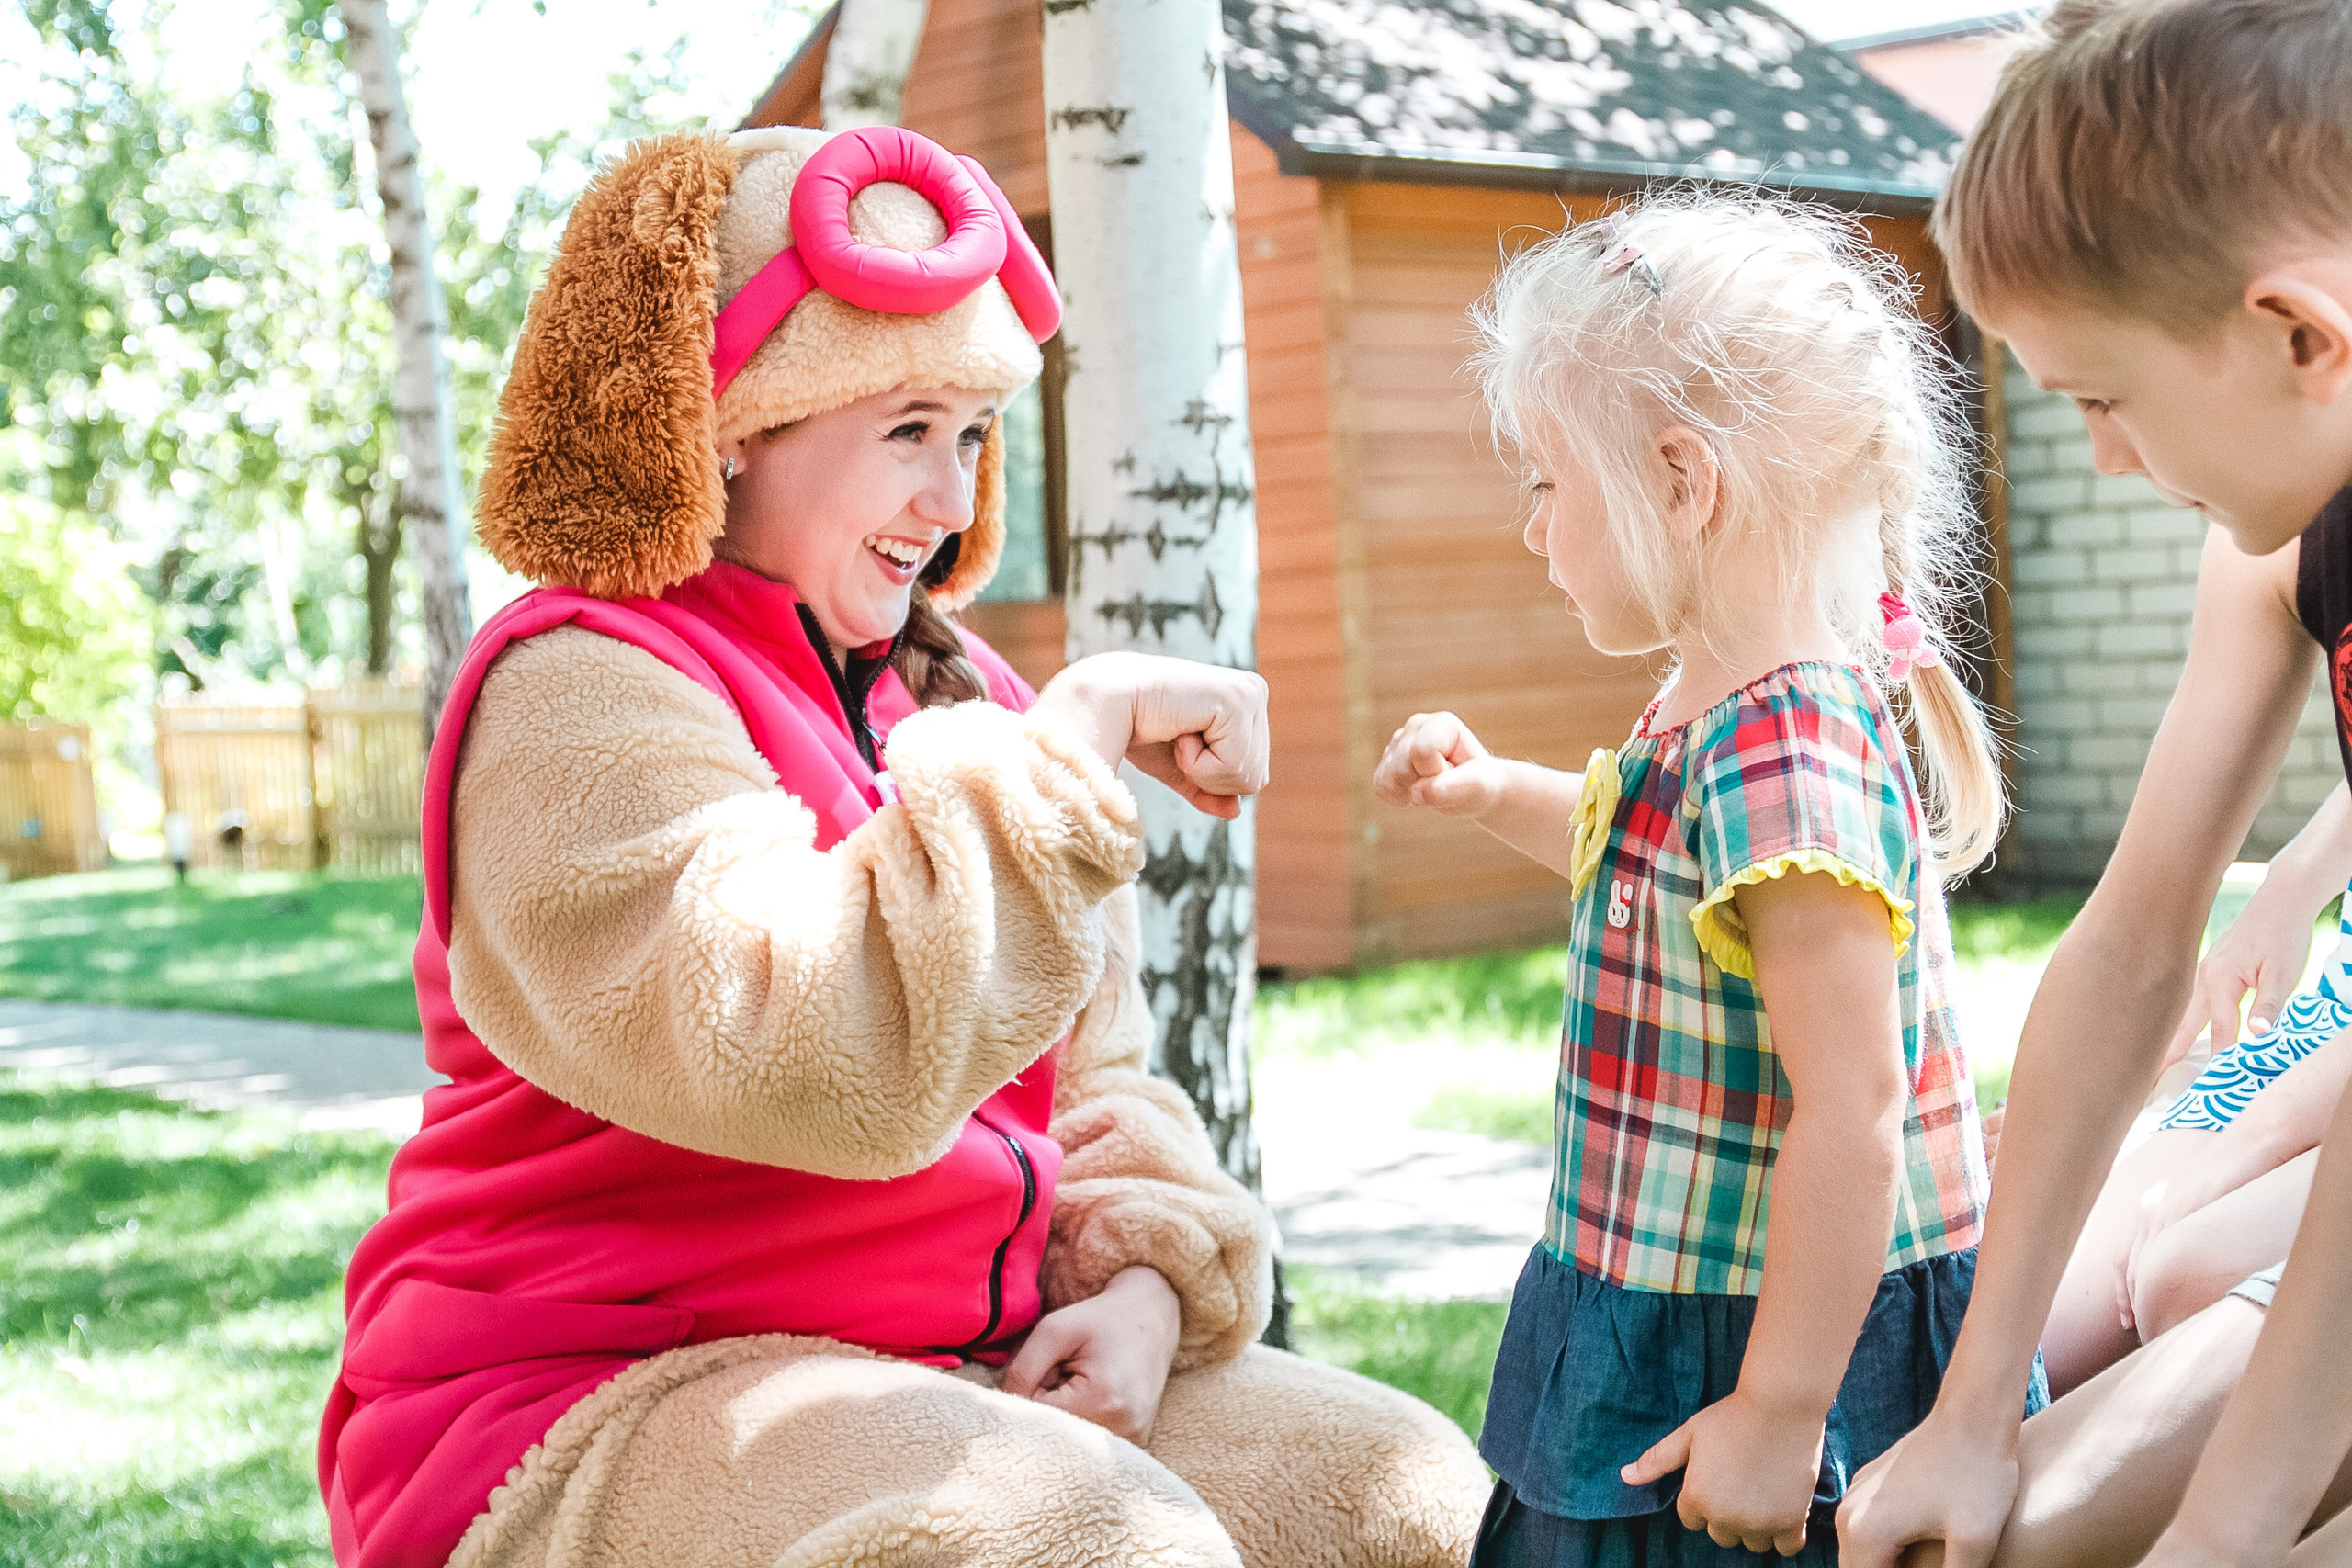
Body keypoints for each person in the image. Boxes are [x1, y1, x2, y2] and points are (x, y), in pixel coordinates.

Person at [317, 125, 1491, 1568]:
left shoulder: (968, 696)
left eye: (977, 434)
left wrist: (1141, 1289)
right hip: (588, 1393)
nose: (950, 504)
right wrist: (1074, 740)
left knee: (1409, 1494)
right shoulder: (575, 686)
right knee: (1094, 1544)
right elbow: (815, 1057)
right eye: (906, 430)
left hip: (938, 1358)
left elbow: (1097, 1070)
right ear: (735, 421)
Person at [1374, 191, 2019, 1563]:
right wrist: (1494, 790)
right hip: (1676, 1296)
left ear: (1682, 479)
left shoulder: (1784, 748)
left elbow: (1855, 1103)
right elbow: (1643, 870)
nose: (1535, 528)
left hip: (1760, 1335)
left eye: (1551, 483)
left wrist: (1783, 1410)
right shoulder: (1712, 714)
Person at [1833, 2, 2352, 1562]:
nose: (2106, 460)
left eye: (2100, 398)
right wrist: (1974, 1412)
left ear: (2298, 336)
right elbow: (2131, 944)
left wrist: (2225, 1527)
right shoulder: (2275, 545)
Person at [2040, 784, 2352, 1395]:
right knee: (2046, 1331)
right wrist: (2292, 883)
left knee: (2180, 1278)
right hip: (2327, 1026)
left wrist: (2253, 1139)